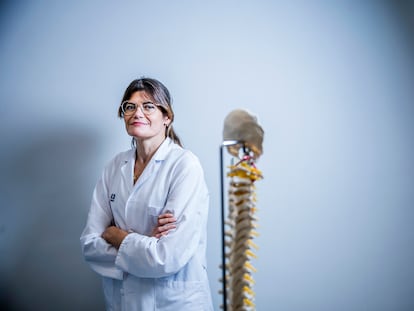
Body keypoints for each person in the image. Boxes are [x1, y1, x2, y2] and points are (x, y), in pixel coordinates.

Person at [80, 77, 213, 310]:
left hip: (173, 302)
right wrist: (145, 245)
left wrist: (116, 235)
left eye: (148, 106)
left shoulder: (185, 166)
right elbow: (90, 246)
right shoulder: (114, 167)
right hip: (124, 301)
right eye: (129, 106)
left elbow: (167, 257)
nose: (137, 113)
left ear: (167, 117)